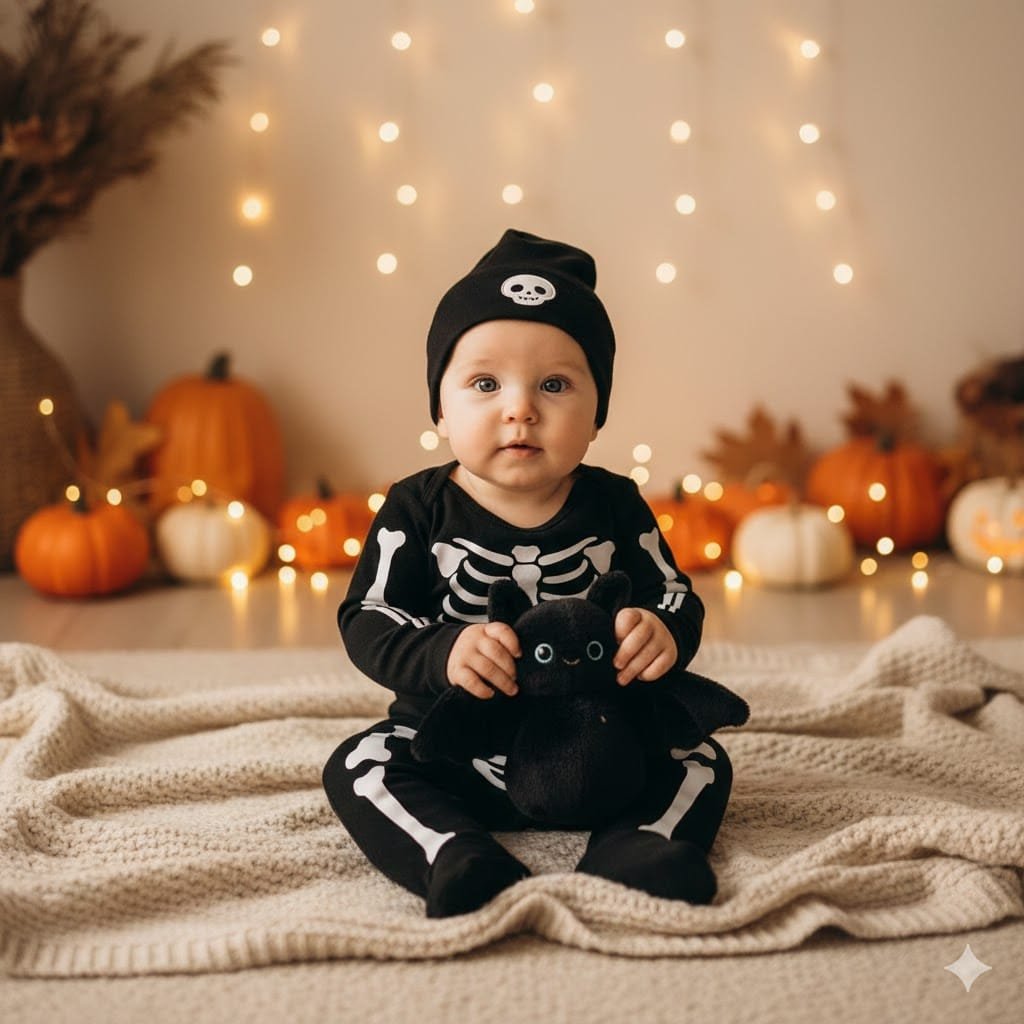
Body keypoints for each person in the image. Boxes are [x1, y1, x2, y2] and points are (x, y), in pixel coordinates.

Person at [323, 229, 733, 918]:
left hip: (608, 744)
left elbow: (671, 592)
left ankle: (636, 846)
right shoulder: (415, 508)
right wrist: (444, 650)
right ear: (441, 407)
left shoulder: (616, 502)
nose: (521, 408)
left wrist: (661, 631)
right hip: (463, 751)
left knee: (701, 758)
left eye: (555, 384)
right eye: (485, 383)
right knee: (362, 764)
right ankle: (455, 854)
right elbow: (369, 618)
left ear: (596, 412)